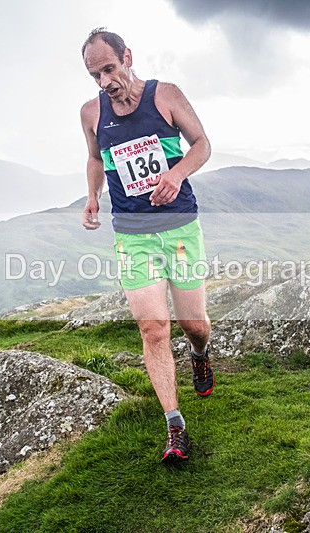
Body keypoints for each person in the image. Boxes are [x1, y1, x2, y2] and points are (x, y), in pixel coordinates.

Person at [79, 28, 214, 463]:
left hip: (179, 229)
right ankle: (175, 426)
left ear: (127, 58)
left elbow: (203, 145)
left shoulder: (166, 96)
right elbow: (96, 157)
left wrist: (176, 174)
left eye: (109, 69)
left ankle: (200, 352)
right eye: (95, 75)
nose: (105, 82)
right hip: (132, 234)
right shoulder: (91, 113)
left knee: (193, 324)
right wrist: (93, 196)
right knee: (154, 329)